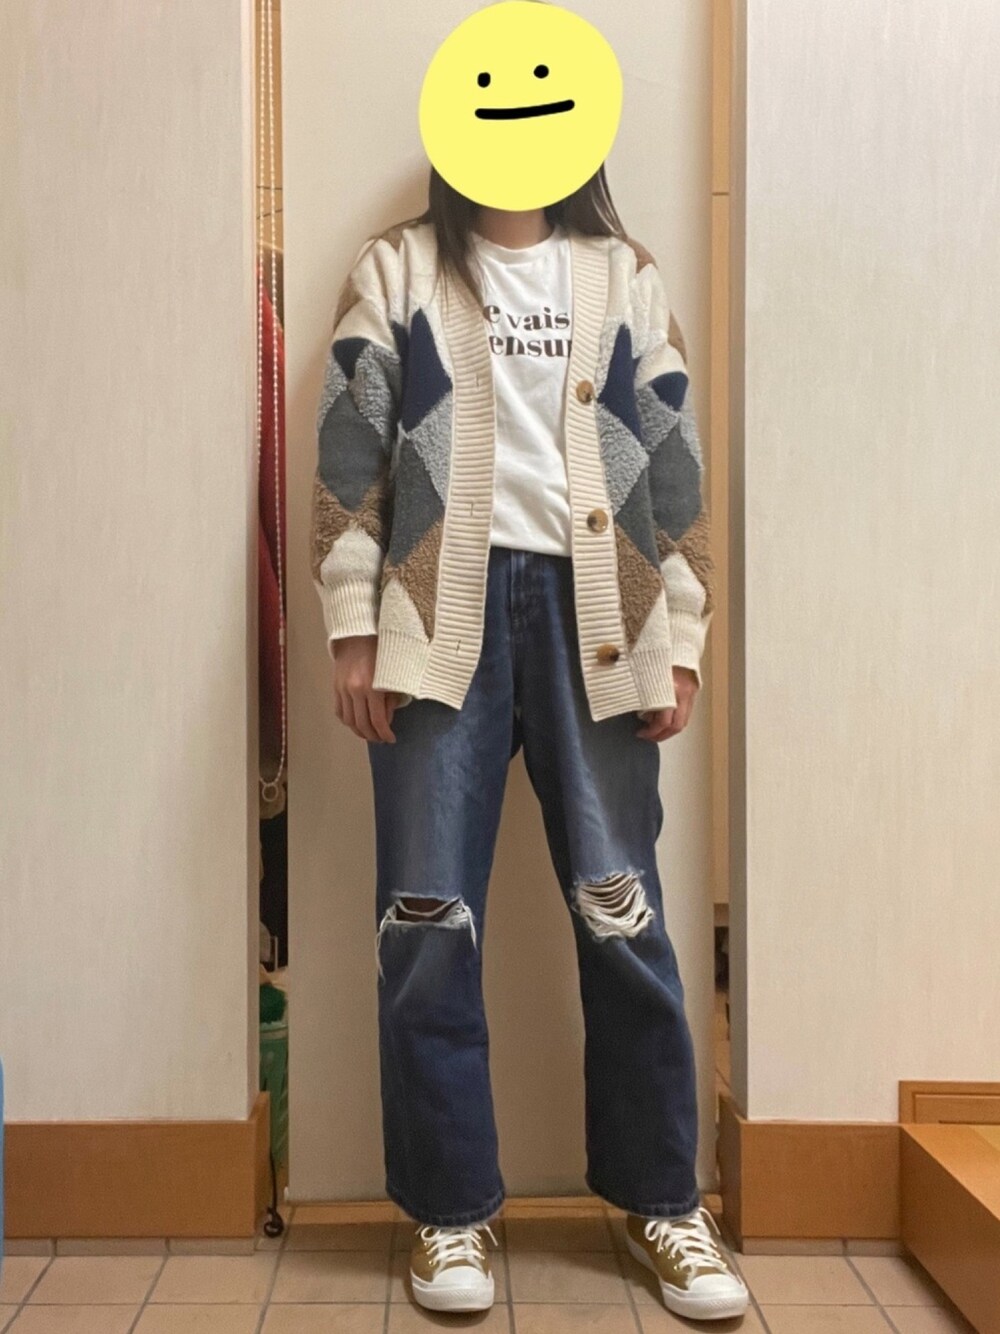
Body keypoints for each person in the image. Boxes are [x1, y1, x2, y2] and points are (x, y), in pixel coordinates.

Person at [309, 163, 748, 1322]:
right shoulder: (400, 267)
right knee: (426, 920)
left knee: (623, 910)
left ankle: (665, 1199)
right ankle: (448, 1207)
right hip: (432, 611)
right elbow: (349, 453)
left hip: (598, 613)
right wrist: (353, 624)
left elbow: (675, 467)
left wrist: (680, 637)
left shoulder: (622, 275)